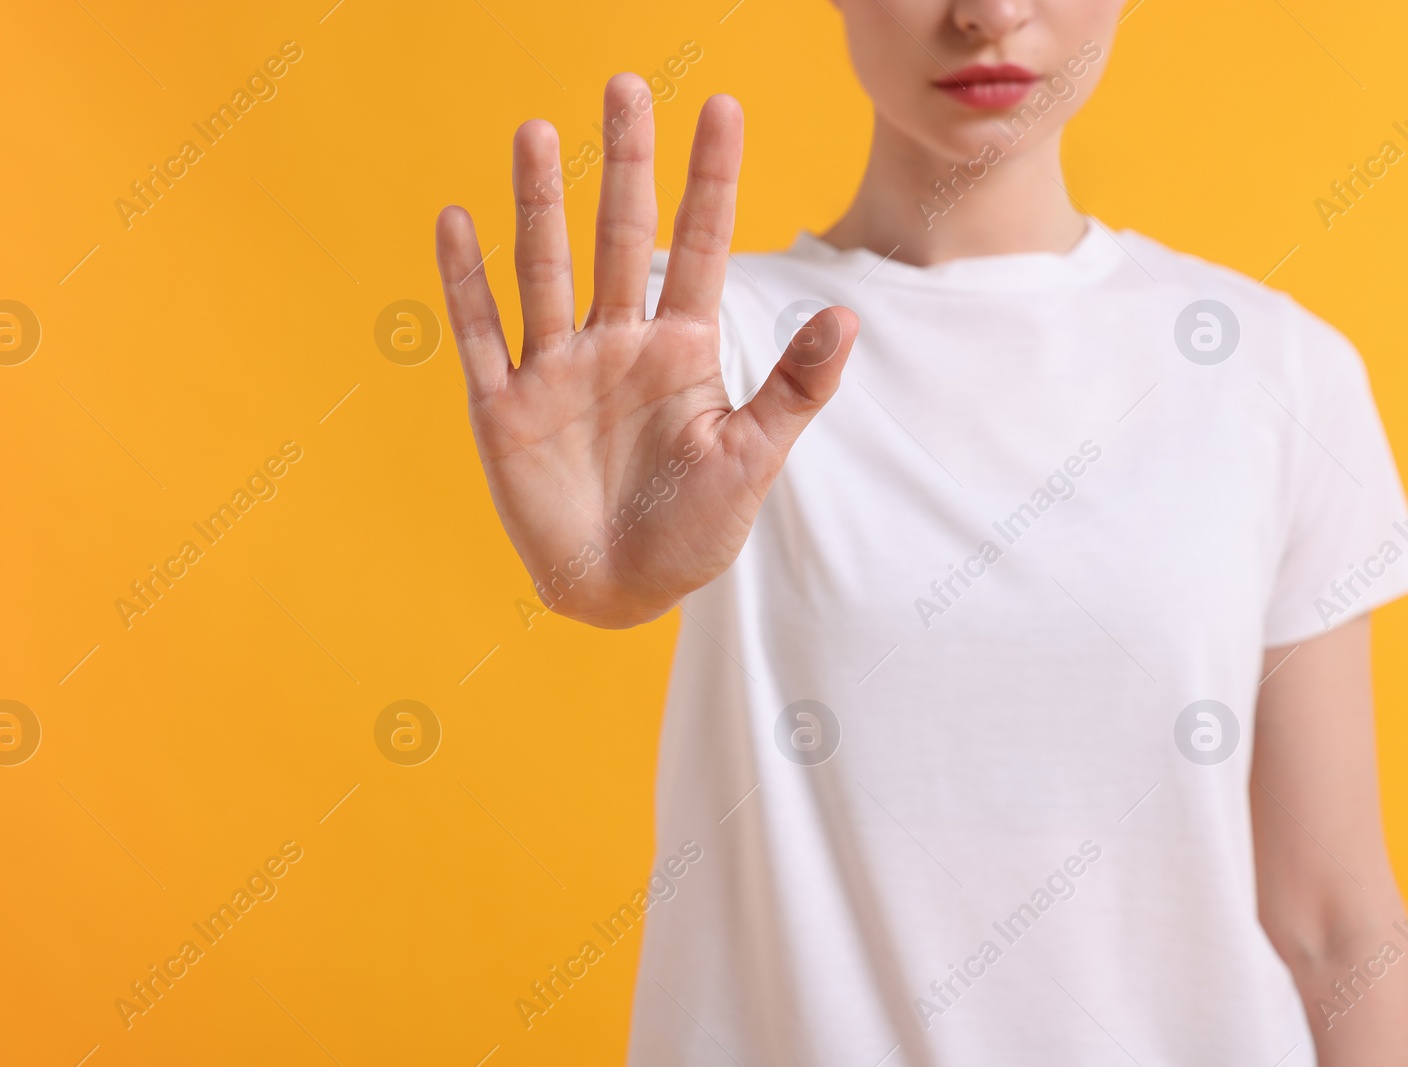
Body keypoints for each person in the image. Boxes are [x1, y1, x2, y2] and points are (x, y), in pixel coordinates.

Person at [434, 0, 1408, 1062]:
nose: (989, 14)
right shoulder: (696, 351)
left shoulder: (1274, 372)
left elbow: (1335, 922)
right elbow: (614, 562)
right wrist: (599, 575)